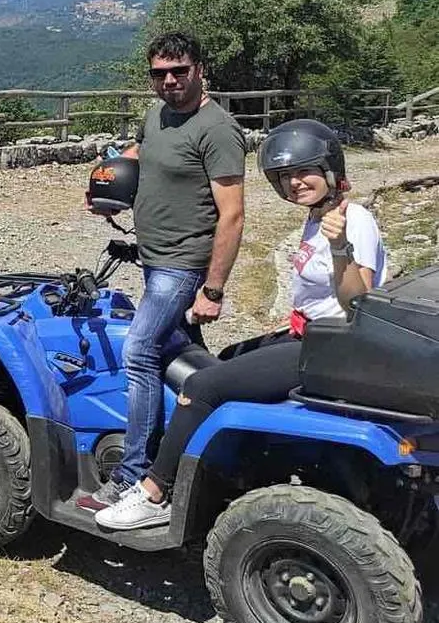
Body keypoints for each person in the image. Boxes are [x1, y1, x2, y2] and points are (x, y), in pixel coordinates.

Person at [96, 118, 386, 530]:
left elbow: (359, 301)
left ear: (330, 170)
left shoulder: (351, 220)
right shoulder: (318, 215)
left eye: (304, 172)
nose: (295, 183)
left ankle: (154, 491)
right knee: (229, 358)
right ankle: (238, 465)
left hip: (332, 348)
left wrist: (339, 247)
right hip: (313, 336)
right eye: (285, 177)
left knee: (200, 387)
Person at [76, 31, 246, 512]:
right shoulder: (158, 114)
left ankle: (136, 477)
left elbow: (232, 214)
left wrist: (213, 288)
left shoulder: (216, 129)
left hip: (184, 264)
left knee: (140, 351)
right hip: (155, 259)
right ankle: (215, 446)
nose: (169, 80)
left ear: (200, 70)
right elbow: (139, 153)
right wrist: (103, 181)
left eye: (179, 70)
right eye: (159, 73)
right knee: (185, 359)